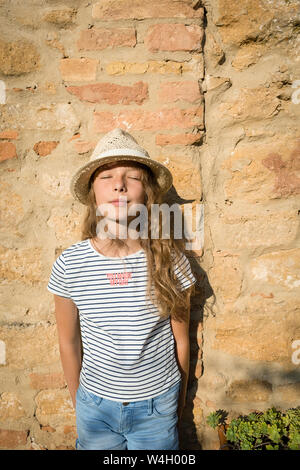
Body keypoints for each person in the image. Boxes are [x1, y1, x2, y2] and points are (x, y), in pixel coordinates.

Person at [47, 128, 196, 450]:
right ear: (93, 195)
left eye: (133, 177)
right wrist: (80, 401)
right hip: (94, 406)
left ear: (148, 194)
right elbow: (68, 341)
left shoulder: (171, 262)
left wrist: (177, 402)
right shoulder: (71, 264)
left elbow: (181, 340)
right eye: (108, 176)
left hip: (158, 405)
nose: (119, 184)